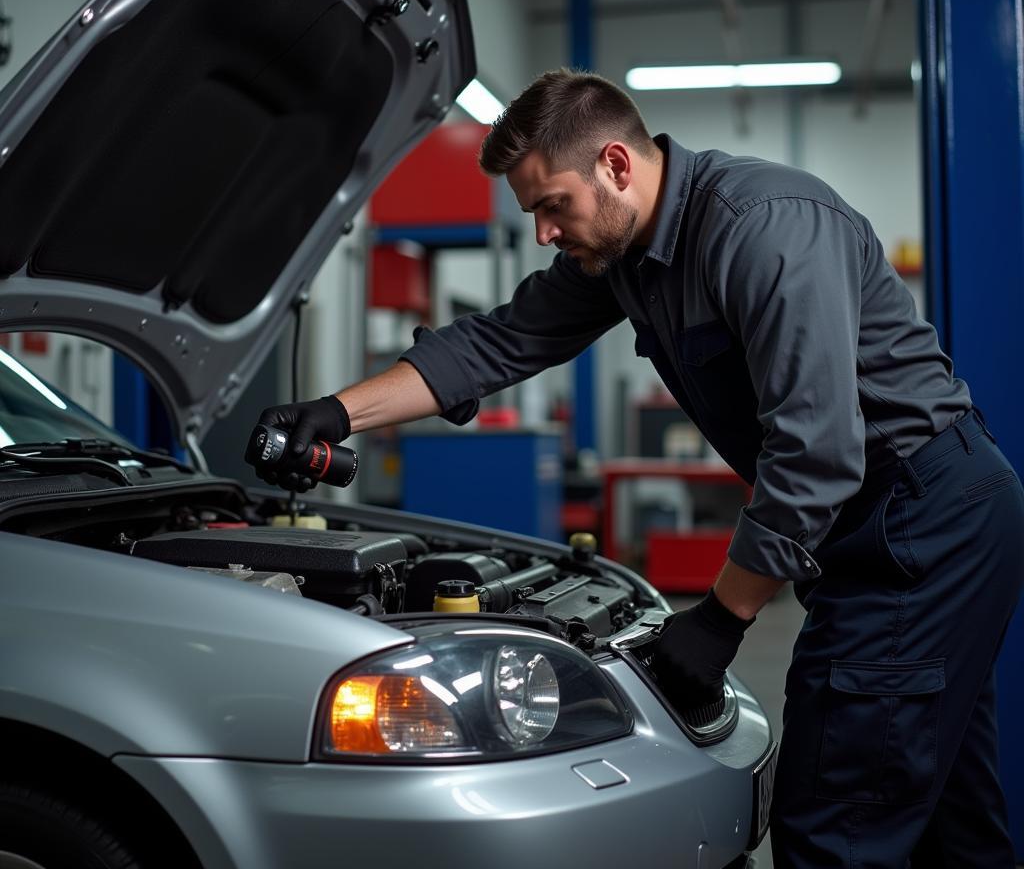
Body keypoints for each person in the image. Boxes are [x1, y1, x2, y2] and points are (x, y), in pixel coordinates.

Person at [252, 68, 1024, 867]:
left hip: (920, 520)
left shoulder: (762, 227)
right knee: (950, 824)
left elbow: (817, 452)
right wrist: (338, 412)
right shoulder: (622, 256)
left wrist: (722, 619)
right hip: (895, 519)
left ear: (616, 165)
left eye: (554, 204)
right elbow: (500, 340)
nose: (545, 231)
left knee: (837, 819)